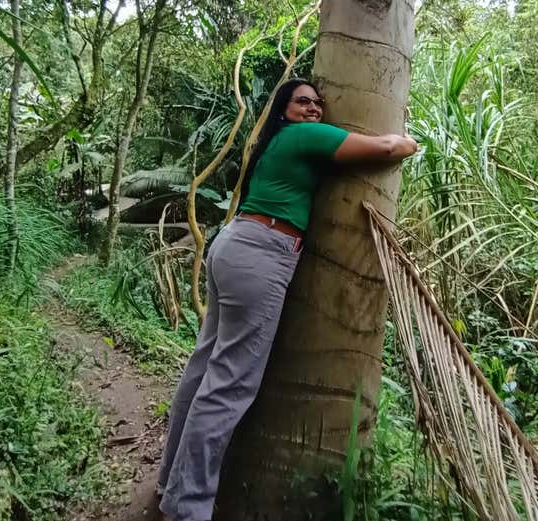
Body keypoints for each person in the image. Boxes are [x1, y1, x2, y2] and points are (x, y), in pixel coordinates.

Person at [147, 78, 418, 521]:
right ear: (284, 108)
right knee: (229, 385)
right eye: (302, 101)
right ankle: (187, 508)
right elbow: (387, 148)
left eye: (317, 103)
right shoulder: (302, 135)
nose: (312, 108)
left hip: (235, 245)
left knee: (204, 371)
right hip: (261, 253)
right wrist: (410, 141)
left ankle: (170, 486)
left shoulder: (275, 142)